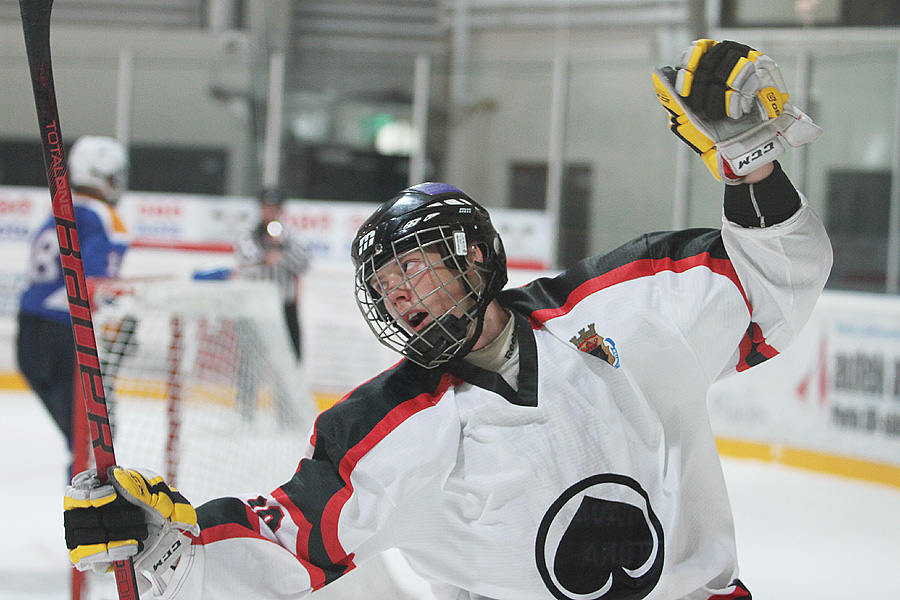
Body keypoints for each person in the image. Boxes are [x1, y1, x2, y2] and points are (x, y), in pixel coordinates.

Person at [62, 41, 832, 600]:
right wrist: (169, 546)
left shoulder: (621, 305)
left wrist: (751, 163)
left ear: (475, 258)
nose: (400, 295)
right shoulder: (388, 426)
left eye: (412, 267)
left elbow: (773, 285)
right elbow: (289, 541)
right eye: (385, 285)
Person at [17, 135, 130, 455]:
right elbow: (96, 283)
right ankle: (90, 503)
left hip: (28, 334)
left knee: (82, 440)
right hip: (68, 335)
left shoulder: (56, 210)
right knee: (94, 443)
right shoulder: (107, 218)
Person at [234, 187, 310, 361]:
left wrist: (281, 250)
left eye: (274, 207)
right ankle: (247, 389)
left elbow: (305, 262)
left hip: (284, 305)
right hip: (254, 305)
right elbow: (246, 261)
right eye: (266, 207)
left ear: (281, 209)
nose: (270, 211)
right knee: (249, 359)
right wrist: (266, 257)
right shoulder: (249, 233)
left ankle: (287, 390)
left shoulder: (291, 234)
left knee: (291, 358)